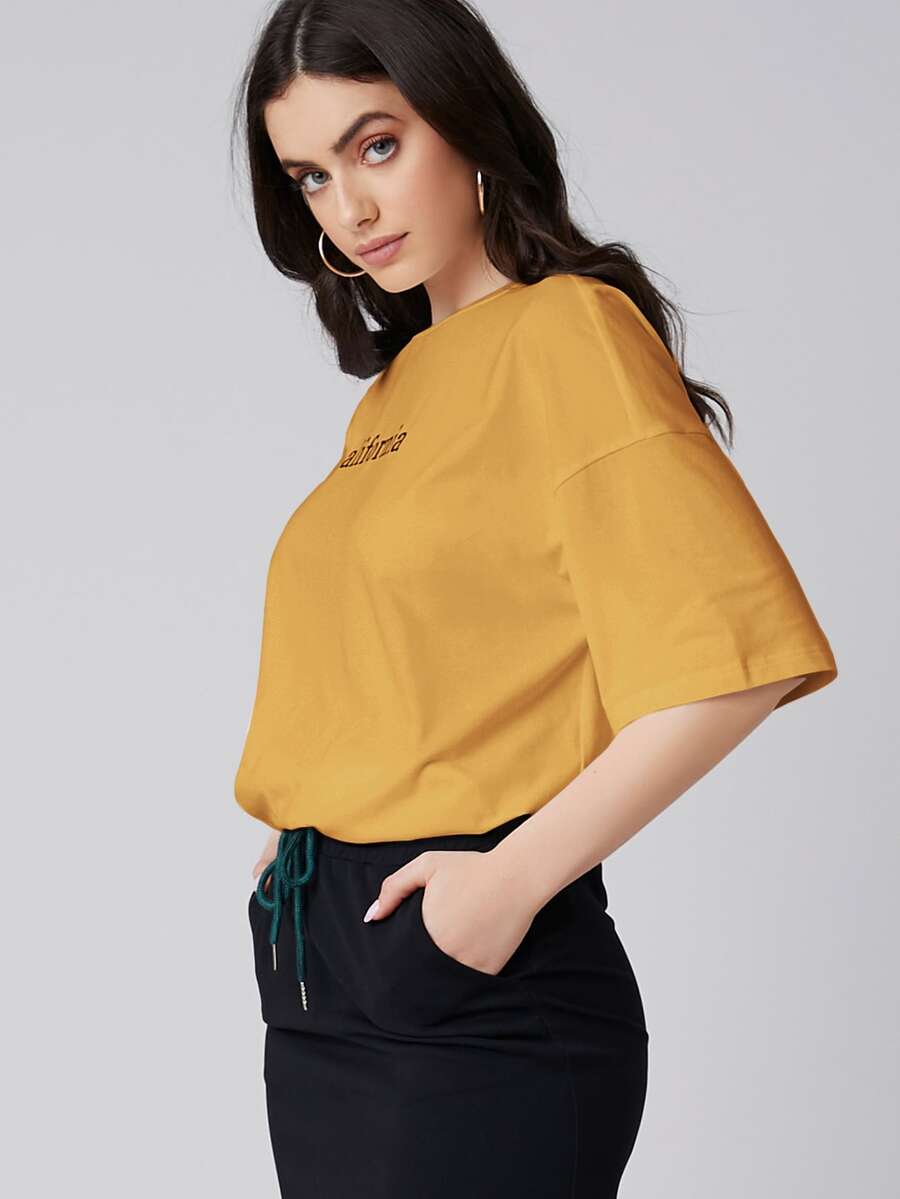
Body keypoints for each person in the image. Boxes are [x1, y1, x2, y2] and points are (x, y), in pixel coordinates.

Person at [230, 1, 839, 1195]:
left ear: (465, 118)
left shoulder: (569, 331)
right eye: (310, 176)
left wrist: (507, 881)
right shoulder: (396, 390)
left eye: (376, 145)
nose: (349, 209)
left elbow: (740, 659)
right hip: (318, 979)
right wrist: (297, 826)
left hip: (472, 996)